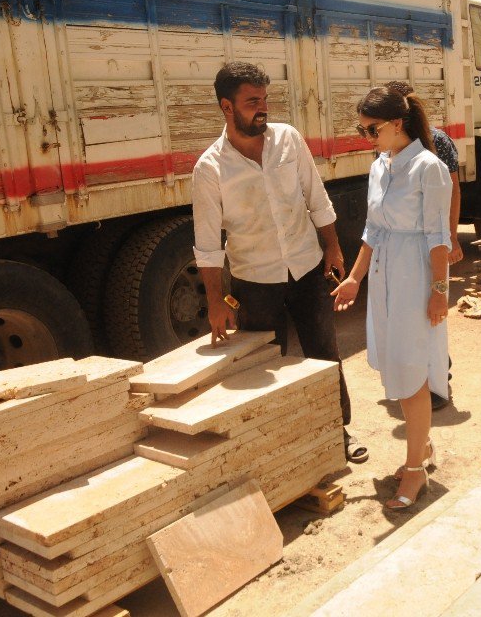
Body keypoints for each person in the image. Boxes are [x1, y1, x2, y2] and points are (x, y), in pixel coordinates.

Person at [192, 61, 368, 464]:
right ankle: (278, 449)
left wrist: (333, 249)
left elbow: (316, 197)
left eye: (265, 98)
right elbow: (206, 243)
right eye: (252, 101)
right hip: (255, 282)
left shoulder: (288, 138)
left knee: (323, 354)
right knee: (267, 364)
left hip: (307, 270)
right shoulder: (210, 169)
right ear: (226, 106)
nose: (263, 108)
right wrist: (216, 302)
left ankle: (338, 433)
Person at [331, 86, 451, 510]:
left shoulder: (429, 168)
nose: (367, 137)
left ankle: (415, 470)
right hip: (384, 276)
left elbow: (440, 237)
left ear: (397, 124)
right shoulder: (379, 167)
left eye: (372, 129)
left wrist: (439, 293)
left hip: (415, 276)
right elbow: (373, 230)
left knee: (411, 371)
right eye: (362, 130)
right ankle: (423, 449)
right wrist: (354, 279)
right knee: (397, 367)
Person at [384, 81, 459, 411]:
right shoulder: (390, 149)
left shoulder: (437, 143)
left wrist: (451, 238)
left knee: (431, 315)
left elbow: (452, 193)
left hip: (428, 247)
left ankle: (438, 382)